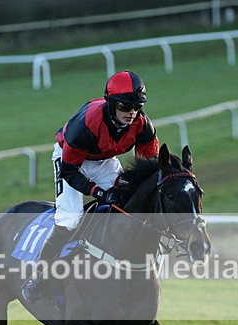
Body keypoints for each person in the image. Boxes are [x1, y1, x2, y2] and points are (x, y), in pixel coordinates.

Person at [21, 69, 160, 303]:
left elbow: (148, 168)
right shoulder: (86, 123)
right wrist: (97, 192)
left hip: (104, 161)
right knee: (71, 218)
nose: (132, 113)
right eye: (125, 107)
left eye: (136, 107)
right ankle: (38, 277)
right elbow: (69, 170)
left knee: (128, 205)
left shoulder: (142, 125)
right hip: (71, 160)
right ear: (111, 104)